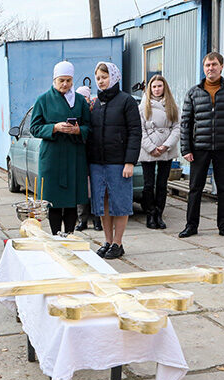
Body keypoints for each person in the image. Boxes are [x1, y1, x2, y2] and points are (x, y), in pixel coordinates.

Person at [179, 52, 224, 240]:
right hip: (199, 148)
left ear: (222, 66)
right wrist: (186, 149)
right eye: (207, 65)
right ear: (203, 67)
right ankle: (191, 225)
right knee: (195, 188)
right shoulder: (193, 93)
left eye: (214, 64)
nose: (211, 68)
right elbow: (185, 123)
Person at [30, 61, 91, 235]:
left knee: (72, 201)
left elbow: (89, 126)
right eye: (61, 80)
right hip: (52, 157)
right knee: (53, 200)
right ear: (54, 80)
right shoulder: (43, 100)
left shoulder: (79, 100)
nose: (65, 84)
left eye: (69, 80)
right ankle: (56, 236)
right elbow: (34, 127)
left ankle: (70, 236)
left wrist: (79, 130)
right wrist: (54, 128)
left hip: (74, 155)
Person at [88, 61, 141, 259]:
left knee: (120, 203)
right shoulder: (95, 103)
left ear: (114, 76)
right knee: (103, 201)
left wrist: (130, 162)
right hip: (97, 162)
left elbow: (135, 132)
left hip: (118, 163)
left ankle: (118, 243)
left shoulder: (126, 101)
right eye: (98, 78)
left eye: (104, 77)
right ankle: (108, 241)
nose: (101, 81)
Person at [138, 74, 180, 229]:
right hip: (148, 149)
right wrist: (151, 147)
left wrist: (165, 146)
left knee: (162, 184)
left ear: (164, 87)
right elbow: (139, 130)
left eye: (159, 86)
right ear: (150, 88)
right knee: (148, 185)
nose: (156, 89)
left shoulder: (172, 105)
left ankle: (159, 214)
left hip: (166, 150)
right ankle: (150, 214)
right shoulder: (143, 106)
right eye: (154, 86)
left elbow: (177, 128)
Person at [73, 85, 101, 232]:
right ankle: (82, 220)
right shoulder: (75, 112)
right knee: (82, 189)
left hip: (95, 155)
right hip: (80, 155)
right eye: (80, 97)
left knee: (96, 189)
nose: (83, 100)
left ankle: (97, 220)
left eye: (85, 97)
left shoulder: (97, 111)